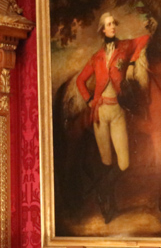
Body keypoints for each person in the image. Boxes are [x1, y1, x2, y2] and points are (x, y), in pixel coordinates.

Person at [63, 12, 150, 223]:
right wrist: (89, 100)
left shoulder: (125, 47)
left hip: (118, 111)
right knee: (106, 161)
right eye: (109, 25)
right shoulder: (96, 57)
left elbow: (145, 39)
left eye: (114, 24)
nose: (113, 27)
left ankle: (102, 189)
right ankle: (108, 204)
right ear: (103, 29)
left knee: (124, 163)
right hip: (101, 114)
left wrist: (132, 62)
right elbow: (81, 81)